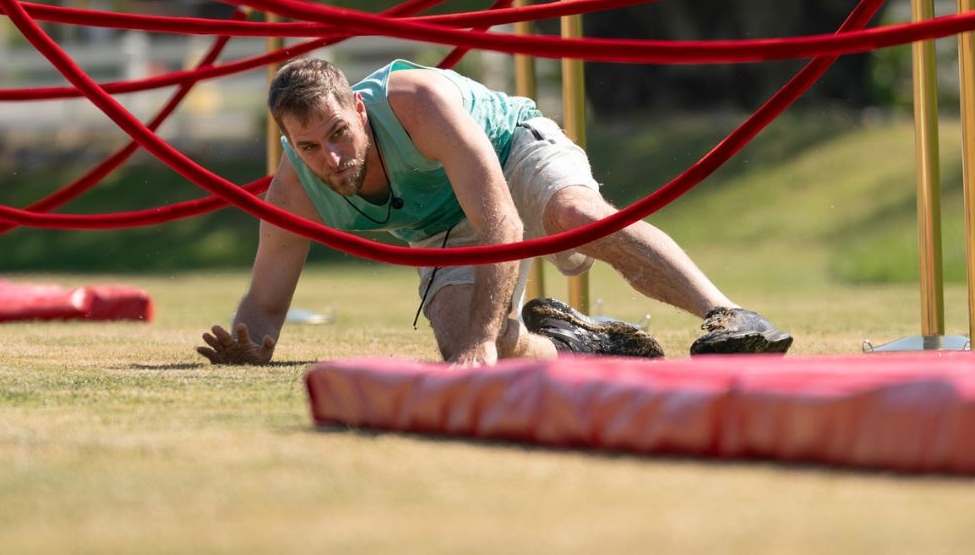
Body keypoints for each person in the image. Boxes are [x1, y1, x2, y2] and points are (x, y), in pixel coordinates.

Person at [196, 58, 792, 366]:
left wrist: (482, 337)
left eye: (339, 134)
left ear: (358, 107)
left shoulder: (418, 104)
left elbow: (501, 223)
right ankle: (579, 345)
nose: (330, 157)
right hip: (441, 225)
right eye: (308, 147)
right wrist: (253, 343)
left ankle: (731, 316)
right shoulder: (293, 188)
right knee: (463, 343)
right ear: (286, 144)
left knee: (574, 215)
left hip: (512, 154)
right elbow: (267, 302)